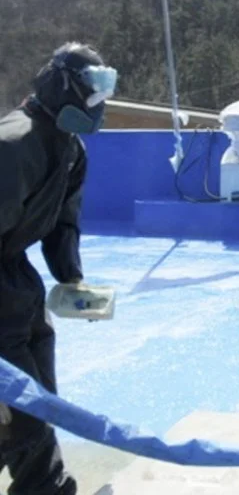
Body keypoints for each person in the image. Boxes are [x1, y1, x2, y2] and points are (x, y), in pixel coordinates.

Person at [0, 42, 117, 494]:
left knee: (39, 396)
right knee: (22, 406)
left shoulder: (70, 149)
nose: (97, 103)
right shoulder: (13, 146)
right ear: (61, 86)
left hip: (17, 282)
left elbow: (63, 223)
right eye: (91, 90)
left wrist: (72, 280)